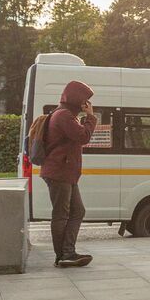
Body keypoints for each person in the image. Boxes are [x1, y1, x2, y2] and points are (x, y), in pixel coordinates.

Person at [40, 79, 96, 268]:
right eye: (83, 100)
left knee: (77, 211)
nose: (85, 104)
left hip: (65, 173)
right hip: (59, 172)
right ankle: (64, 254)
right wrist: (90, 117)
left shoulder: (64, 114)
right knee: (61, 215)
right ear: (75, 98)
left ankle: (67, 252)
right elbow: (83, 137)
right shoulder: (63, 115)